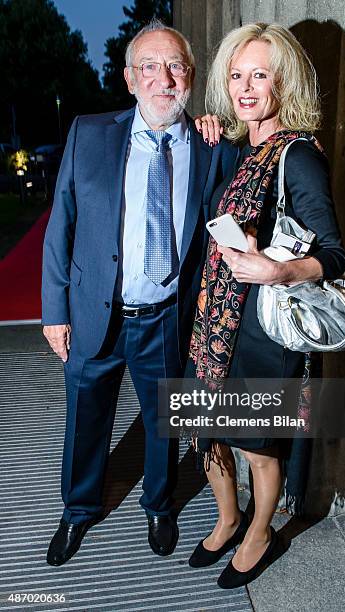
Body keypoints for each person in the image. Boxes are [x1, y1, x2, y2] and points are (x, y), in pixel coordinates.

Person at [41, 19, 238, 566]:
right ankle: (78, 510)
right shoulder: (89, 133)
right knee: (84, 419)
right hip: (92, 313)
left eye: (174, 66)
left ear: (190, 77)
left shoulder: (210, 147)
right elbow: (62, 226)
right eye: (148, 67)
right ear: (129, 79)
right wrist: (54, 310)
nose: (162, 79)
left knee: (162, 423)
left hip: (166, 317)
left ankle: (158, 505)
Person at [186, 22, 345, 589]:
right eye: (236, 75)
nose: (246, 87)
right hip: (215, 322)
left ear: (285, 82)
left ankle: (259, 531)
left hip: (261, 327)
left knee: (255, 444)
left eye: (260, 75)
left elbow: (332, 253)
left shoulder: (297, 154)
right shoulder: (241, 148)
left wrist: (276, 269)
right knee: (208, 425)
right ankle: (227, 518)